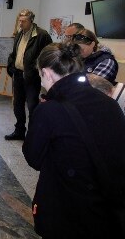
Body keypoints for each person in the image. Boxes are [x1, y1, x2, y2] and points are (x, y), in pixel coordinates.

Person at [23, 43, 125, 238]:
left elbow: (33, 158)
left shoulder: (49, 110)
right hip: (106, 211)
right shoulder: (109, 104)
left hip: (65, 210)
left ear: (46, 72)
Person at [6, 9, 52, 140]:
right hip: (18, 75)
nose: (20, 23)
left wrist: (35, 69)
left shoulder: (41, 35)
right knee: (17, 105)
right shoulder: (20, 34)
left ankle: (32, 134)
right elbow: (15, 54)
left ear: (31, 20)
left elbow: (48, 55)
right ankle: (19, 131)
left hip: (32, 77)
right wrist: (11, 66)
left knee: (32, 105)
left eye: (23, 21)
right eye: (20, 20)